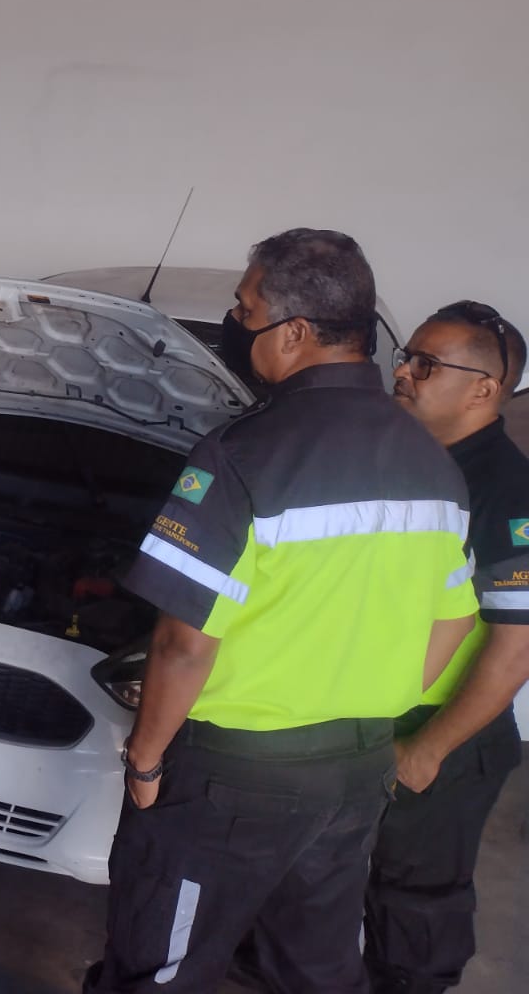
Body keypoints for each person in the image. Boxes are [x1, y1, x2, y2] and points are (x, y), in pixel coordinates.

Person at [84, 229, 478, 994]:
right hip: (357, 769)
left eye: (245, 308)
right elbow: (454, 619)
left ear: (295, 332)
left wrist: (146, 759)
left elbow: (183, 644)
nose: (236, 323)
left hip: (233, 776)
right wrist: (375, 706)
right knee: (316, 968)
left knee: (162, 967)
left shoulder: (243, 454)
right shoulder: (432, 462)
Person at [361, 302, 529, 994]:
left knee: (413, 905)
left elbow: (516, 649)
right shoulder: (404, 461)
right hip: (374, 718)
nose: (403, 372)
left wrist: (429, 749)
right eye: (406, 357)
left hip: (445, 738)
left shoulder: (506, 494)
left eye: (426, 364)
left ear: (483, 389)